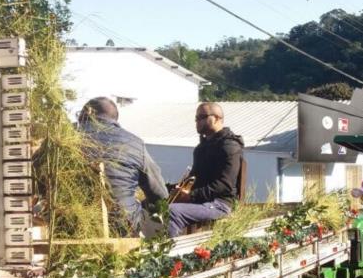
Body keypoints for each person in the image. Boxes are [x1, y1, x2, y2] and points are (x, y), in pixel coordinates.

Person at [77, 97, 169, 234]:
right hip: (123, 226)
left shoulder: (64, 139)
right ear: (115, 119)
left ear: (86, 114)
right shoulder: (135, 143)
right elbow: (159, 194)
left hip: (72, 223)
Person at [168, 102, 244, 237]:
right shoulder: (200, 148)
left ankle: (169, 255)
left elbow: (224, 185)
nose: (197, 121)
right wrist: (173, 189)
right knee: (151, 204)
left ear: (217, 118)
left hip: (219, 204)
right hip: (199, 202)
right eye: (196, 118)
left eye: (202, 117)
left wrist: (191, 196)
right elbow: (193, 180)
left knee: (171, 212)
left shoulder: (230, 146)